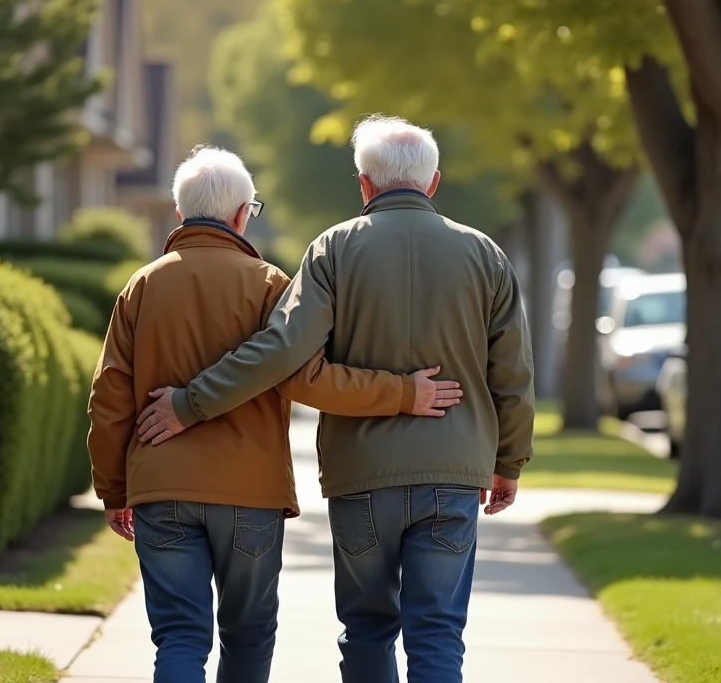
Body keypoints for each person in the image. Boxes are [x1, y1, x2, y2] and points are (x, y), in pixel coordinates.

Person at [139, 117, 535, 683]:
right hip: (454, 471)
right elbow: (514, 377)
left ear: (364, 184)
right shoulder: (486, 256)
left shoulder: (333, 249)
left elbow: (285, 356)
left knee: (368, 628)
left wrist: (190, 403)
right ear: (434, 182)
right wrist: (508, 463)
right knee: (439, 633)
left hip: (362, 475)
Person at [86, 145, 463, 683]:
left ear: (179, 213)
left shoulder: (142, 286)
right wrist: (403, 394)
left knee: (179, 636)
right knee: (248, 634)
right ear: (242, 213)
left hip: (160, 488)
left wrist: (115, 489)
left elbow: (108, 399)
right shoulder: (270, 285)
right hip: (249, 496)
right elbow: (307, 377)